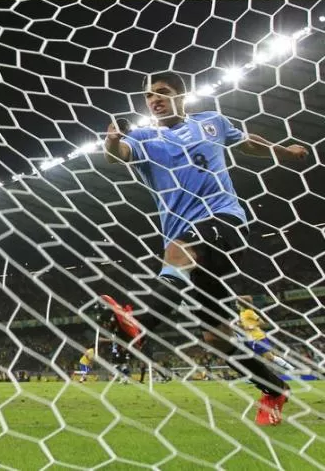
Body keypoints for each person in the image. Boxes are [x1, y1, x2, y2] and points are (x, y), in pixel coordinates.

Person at [104, 71, 308, 426]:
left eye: (163, 92)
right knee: (215, 337)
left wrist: (282, 151)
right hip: (186, 243)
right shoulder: (143, 137)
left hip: (224, 221)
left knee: (181, 251)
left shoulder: (212, 122)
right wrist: (112, 140)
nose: (155, 100)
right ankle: (273, 389)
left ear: (181, 97)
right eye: (149, 96)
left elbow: (247, 142)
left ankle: (141, 322)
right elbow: (117, 155)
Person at [235, 296, 295, 371]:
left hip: (258, 338)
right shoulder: (241, 313)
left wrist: (250, 327)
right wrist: (240, 324)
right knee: (259, 358)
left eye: (236, 303)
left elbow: (262, 322)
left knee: (269, 357)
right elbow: (246, 325)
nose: (235, 305)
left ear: (241, 304)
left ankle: (291, 368)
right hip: (251, 339)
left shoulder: (249, 312)